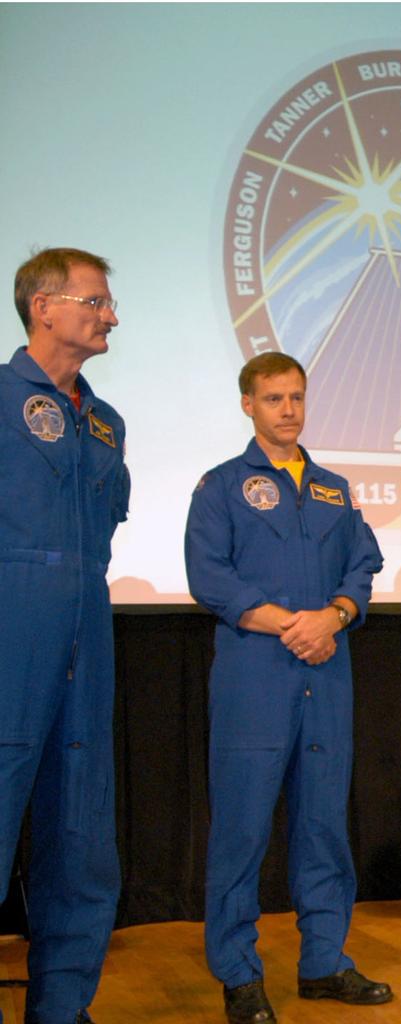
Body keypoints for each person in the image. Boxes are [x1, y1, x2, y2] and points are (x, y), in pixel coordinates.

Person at [184, 353, 389, 1024]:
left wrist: (333, 616)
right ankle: (239, 973)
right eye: (273, 398)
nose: (288, 410)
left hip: (327, 674)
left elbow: (363, 566)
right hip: (255, 676)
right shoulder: (220, 487)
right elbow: (210, 577)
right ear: (249, 404)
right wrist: (290, 625)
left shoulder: (333, 487)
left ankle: (325, 960)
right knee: (242, 831)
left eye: (296, 397)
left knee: (324, 826)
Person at [0, 248, 128, 1024]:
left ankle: (61, 1007)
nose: (110, 315)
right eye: (97, 301)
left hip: (87, 620)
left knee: (80, 830)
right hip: (12, 619)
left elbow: (108, 519)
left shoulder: (106, 421)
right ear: (44, 307)